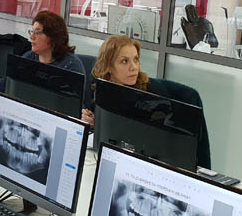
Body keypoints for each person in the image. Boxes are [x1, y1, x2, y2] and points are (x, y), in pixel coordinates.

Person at [81, 35, 211, 169]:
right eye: (124, 61)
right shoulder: (103, 89)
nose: (134, 67)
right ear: (108, 66)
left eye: (136, 59)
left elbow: (144, 140)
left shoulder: (150, 94)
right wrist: (93, 122)